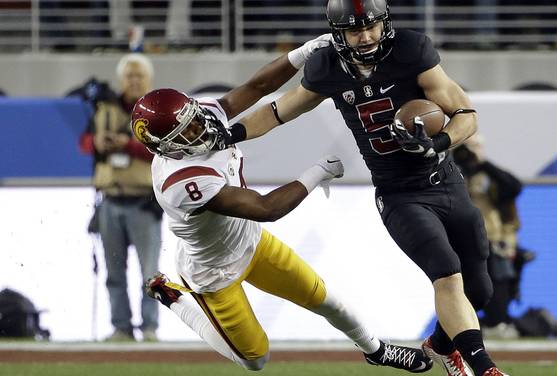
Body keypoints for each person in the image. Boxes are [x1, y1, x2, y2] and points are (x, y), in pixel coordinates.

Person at [222, 1, 509, 375]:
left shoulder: (411, 51)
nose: (366, 35)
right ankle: (483, 367)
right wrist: (231, 133)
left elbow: (465, 113)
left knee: (480, 289)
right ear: (337, 32)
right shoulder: (327, 66)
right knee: (447, 271)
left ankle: (440, 345)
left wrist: (438, 143)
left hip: (447, 183)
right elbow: (280, 110)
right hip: (399, 195)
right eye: (356, 29)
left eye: (372, 26)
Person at [130, 36, 432, 372]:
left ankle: (377, 351)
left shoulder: (198, 119)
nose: (201, 128)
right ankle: (173, 298)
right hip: (213, 272)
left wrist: (303, 52)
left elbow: (257, 85)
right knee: (255, 359)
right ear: (166, 148)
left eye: (195, 119)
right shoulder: (183, 182)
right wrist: (319, 172)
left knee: (325, 299)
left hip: (250, 241)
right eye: (187, 132)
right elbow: (266, 208)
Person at [78, 53, 161, 342]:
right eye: (129, 76)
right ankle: (120, 327)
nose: (134, 81)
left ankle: (149, 327)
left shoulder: (157, 112)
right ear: (121, 80)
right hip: (110, 199)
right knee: (114, 271)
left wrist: (128, 146)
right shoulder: (104, 109)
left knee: (150, 272)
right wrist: (98, 142)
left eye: (139, 76)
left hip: (144, 201)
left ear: (148, 80)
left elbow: (162, 151)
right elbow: (84, 142)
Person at [452, 135, 523, 339]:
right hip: (463, 240)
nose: (468, 151)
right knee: (460, 284)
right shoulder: (453, 173)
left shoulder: (490, 176)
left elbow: (514, 187)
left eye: (473, 146)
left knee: (496, 281)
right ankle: (463, 328)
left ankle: (496, 322)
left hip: (492, 238)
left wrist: (482, 164)